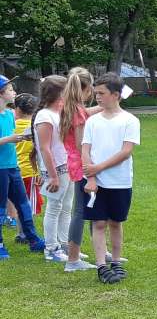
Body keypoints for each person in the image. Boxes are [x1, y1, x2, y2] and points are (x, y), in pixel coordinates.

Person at [81, 73, 140, 283]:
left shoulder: (130, 120)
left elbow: (126, 151)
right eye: (95, 93)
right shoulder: (92, 121)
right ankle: (101, 265)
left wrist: (99, 167)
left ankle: (116, 261)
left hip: (121, 181)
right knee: (98, 223)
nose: (97, 97)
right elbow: (85, 150)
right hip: (95, 181)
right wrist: (91, 176)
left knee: (116, 222)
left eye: (101, 93)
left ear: (115, 95)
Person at [60, 67, 103, 271]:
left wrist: (106, 106)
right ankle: (73, 259)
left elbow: (87, 113)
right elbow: (80, 144)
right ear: (86, 89)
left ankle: (99, 250)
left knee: (91, 209)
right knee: (81, 211)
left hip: (76, 165)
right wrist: (93, 165)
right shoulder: (77, 111)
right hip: (82, 166)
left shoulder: (72, 107)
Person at [0, 75, 45, 259]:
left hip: (13, 167)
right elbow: (7, 138)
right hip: (1, 169)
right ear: (1, 93)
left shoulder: (10, 115)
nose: (14, 93)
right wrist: (11, 139)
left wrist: (23, 137)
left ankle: (33, 239)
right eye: (10, 90)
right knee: (1, 209)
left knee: (23, 204)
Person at [33, 75, 72, 262]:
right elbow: (44, 147)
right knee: (54, 207)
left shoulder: (59, 112)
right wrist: (54, 176)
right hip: (55, 170)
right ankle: (51, 248)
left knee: (66, 208)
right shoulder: (45, 116)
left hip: (67, 167)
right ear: (58, 92)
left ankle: (65, 245)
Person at [12, 93, 42, 242]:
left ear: (17, 109)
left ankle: (20, 232)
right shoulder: (35, 127)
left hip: (15, 170)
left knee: (20, 204)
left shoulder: (12, 125)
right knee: (28, 205)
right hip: (30, 171)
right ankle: (25, 233)